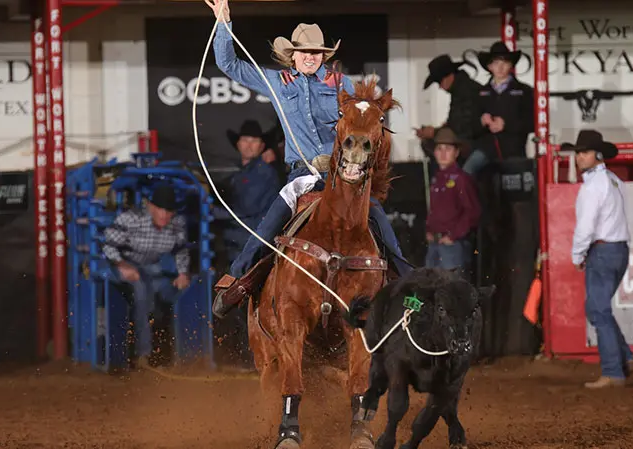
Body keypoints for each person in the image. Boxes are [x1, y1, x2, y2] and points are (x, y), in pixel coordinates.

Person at [204, 0, 410, 318]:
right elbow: (229, 65)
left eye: (316, 53)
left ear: (323, 56)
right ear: (293, 55)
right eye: (304, 52)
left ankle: (406, 284)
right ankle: (239, 279)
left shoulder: (343, 85)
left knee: (377, 216)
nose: (310, 57)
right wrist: (223, 23)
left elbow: (365, 122)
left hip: (344, 175)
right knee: (271, 222)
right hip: (302, 174)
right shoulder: (276, 82)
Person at [564, 130, 633, 389]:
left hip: (603, 250)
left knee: (598, 310)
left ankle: (613, 370)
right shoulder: (613, 180)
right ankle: (624, 356)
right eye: (578, 152)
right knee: (598, 308)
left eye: (583, 152)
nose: (579, 157)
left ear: (596, 154)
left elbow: (586, 226)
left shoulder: (593, 185)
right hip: (618, 248)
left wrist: (577, 254)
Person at [102, 184, 191, 367]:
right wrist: (122, 265)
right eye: (160, 209)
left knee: (177, 291)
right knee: (142, 292)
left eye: (169, 211)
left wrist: (183, 273)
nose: (165, 215)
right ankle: (143, 353)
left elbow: (181, 251)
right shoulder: (131, 219)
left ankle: (182, 355)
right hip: (120, 266)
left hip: (152, 268)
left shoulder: (177, 224)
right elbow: (107, 245)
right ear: (150, 207)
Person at [215, 119, 282, 262]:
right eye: (245, 140)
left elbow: (246, 207)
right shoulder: (243, 174)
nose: (249, 145)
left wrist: (212, 210)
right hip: (243, 241)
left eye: (254, 141)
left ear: (262, 145)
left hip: (251, 242)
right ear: (238, 144)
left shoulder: (263, 172)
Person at [464, 41, 534, 176]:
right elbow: (470, 128)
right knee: (466, 173)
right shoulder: (479, 93)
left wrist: (506, 124)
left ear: (511, 65)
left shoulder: (524, 91)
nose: (500, 67)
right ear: (489, 66)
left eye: (505, 62)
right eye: (496, 63)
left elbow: (532, 123)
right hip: (486, 149)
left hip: (514, 150)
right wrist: (482, 121)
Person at [425, 127, 480, 272]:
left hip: (452, 246)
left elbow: (472, 212)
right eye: (439, 148)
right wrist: (429, 230)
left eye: (447, 149)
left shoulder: (461, 179)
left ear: (456, 153)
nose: (443, 153)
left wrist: (453, 235)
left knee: (451, 288)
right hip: (435, 244)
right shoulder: (436, 178)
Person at [416, 54, 482, 172]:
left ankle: (447, 179)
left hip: (475, 143)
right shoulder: (461, 89)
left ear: (448, 77)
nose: (441, 87)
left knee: (430, 143)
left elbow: (465, 128)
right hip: (471, 141)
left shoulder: (465, 91)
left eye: (439, 82)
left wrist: (436, 132)